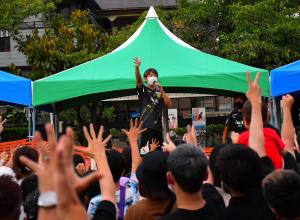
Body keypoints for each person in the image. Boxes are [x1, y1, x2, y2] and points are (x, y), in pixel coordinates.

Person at [160, 144, 225, 220]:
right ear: (205, 175)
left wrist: (178, 154)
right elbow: (208, 182)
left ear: (169, 178)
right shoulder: (216, 203)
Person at [134, 57, 172, 148]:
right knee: (145, 152)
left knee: (158, 153)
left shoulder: (159, 91)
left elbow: (169, 104)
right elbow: (139, 81)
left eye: (154, 75)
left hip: (158, 128)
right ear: (145, 78)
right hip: (145, 127)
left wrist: (162, 91)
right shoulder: (143, 90)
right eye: (150, 75)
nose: (152, 77)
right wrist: (137, 68)